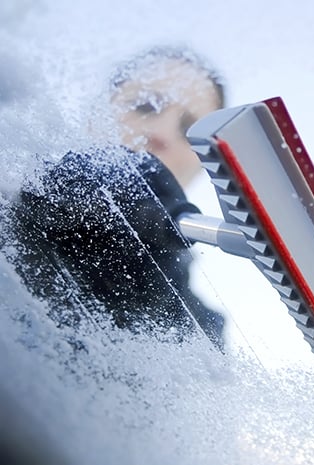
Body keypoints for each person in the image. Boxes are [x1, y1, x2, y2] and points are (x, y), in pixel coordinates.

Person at [1, 46, 228, 350]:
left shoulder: (201, 337)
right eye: (145, 106)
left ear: (202, 166)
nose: (161, 133)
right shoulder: (11, 212)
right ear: (97, 115)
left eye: (190, 131)